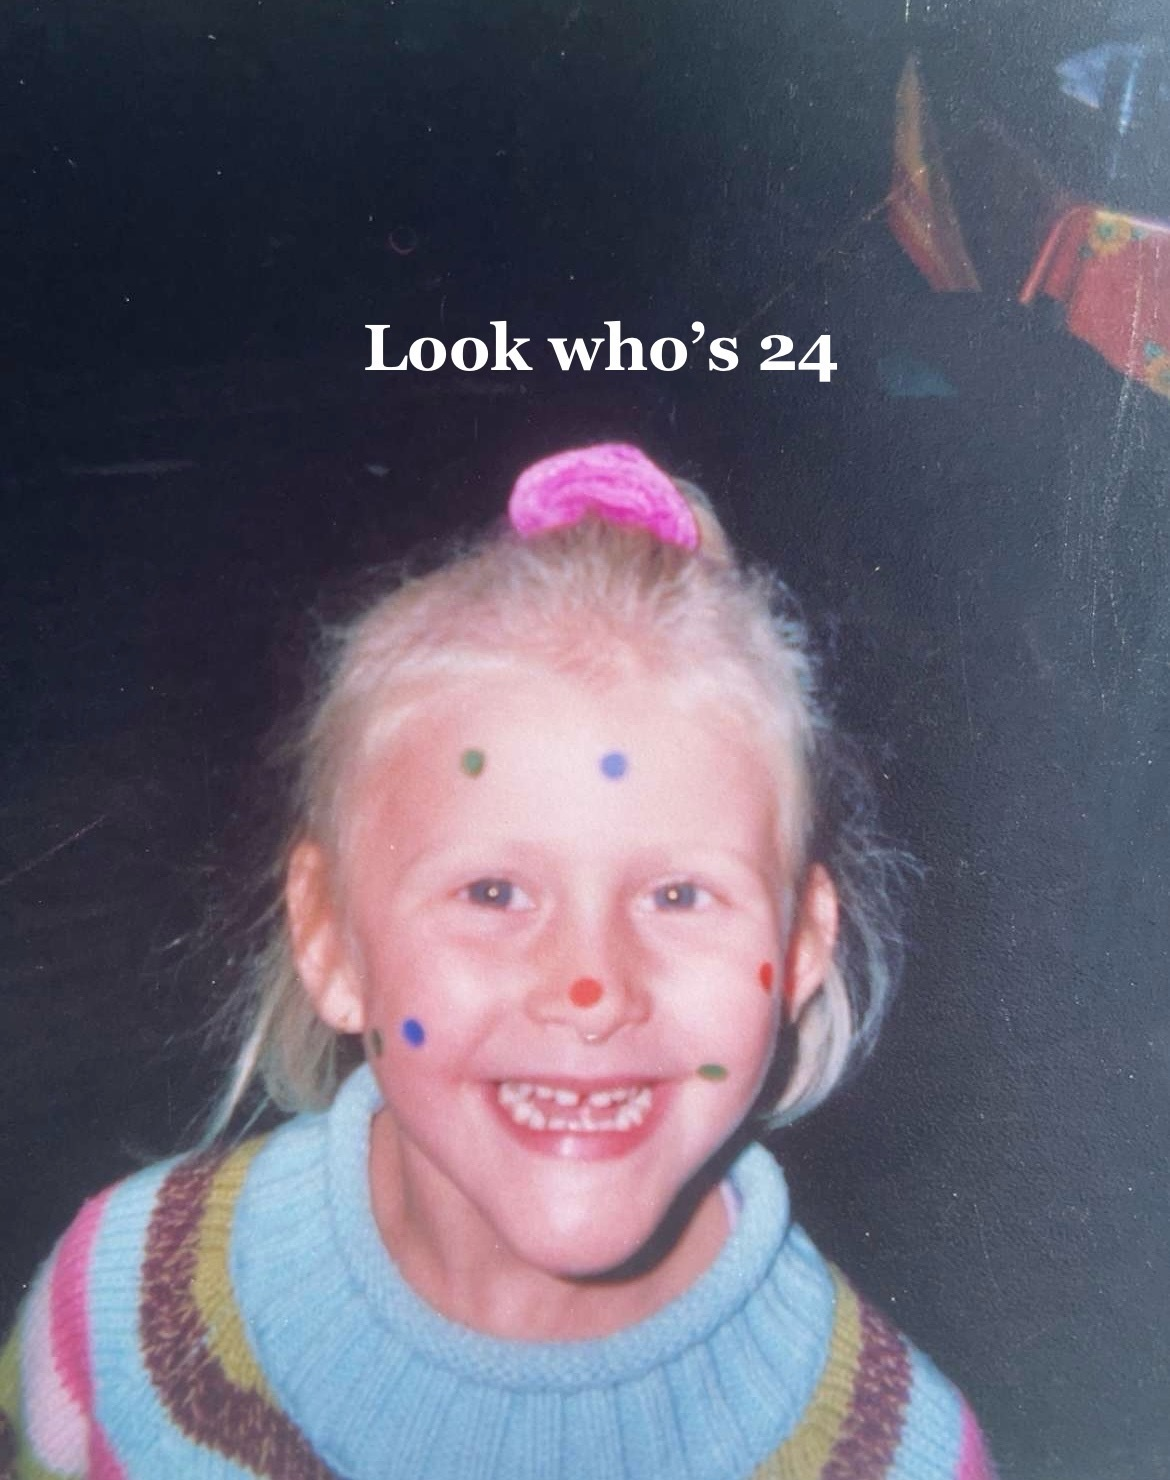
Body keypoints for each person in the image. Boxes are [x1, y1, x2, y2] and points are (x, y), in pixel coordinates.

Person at [0, 444, 998, 1479]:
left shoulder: (898, 1457)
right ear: (331, 939)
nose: (590, 990)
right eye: (492, 893)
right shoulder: (119, 1318)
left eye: (677, 895)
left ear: (797, 952)